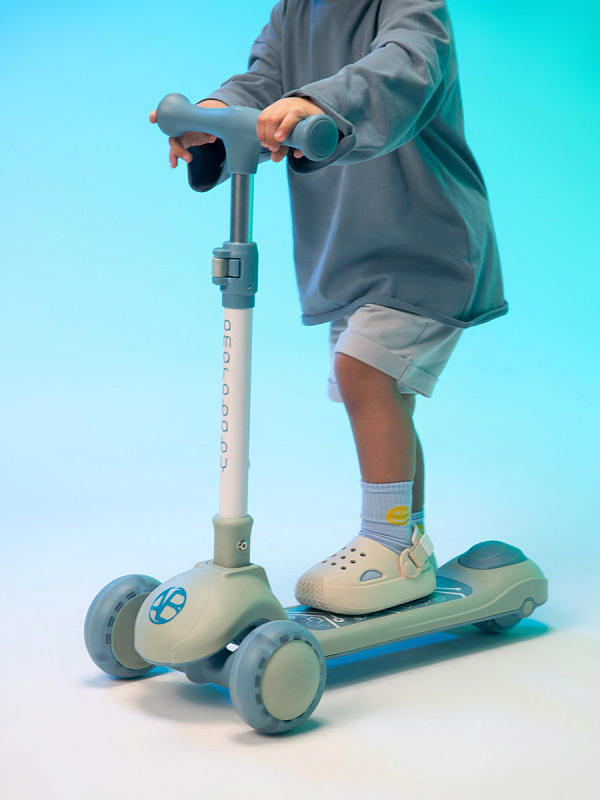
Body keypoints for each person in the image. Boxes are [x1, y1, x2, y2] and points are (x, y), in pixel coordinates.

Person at [150, 0, 507, 616]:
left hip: (424, 243)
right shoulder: (296, 10)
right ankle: (406, 542)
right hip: (350, 253)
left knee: (364, 373)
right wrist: (215, 115)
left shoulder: (412, 6)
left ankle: (390, 546)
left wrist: (318, 104)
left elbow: (406, 66)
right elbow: (263, 81)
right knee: (381, 393)